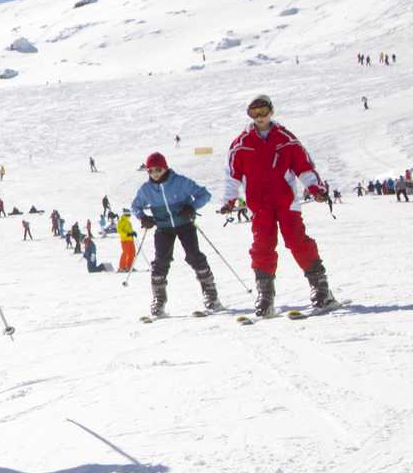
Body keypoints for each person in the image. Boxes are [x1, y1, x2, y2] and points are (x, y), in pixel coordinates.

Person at [222, 94, 338, 317]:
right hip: (259, 205)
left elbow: (304, 167)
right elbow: (232, 176)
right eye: (254, 113)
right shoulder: (241, 144)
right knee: (262, 246)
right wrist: (229, 200)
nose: (260, 117)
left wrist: (316, 189)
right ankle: (265, 295)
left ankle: (321, 288)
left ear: (271, 111)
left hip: (286, 202)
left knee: (297, 240)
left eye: (263, 112)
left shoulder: (286, 139)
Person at [131, 152, 220, 317]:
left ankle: (211, 294)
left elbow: (204, 194)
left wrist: (192, 207)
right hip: (163, 228)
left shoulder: (180, 182)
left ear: (165, 167)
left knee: (194, 256)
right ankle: (159, 300)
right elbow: (135, 206)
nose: (155, 173)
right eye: (150, 170)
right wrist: (143, 217)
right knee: (160, 262)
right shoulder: (146, 190)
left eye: (158, 169)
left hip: (185, 225)